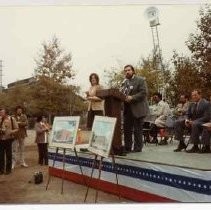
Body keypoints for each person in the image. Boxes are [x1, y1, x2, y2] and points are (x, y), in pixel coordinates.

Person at [122, 64, 149, 153]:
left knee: (137, 130)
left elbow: (144, 93)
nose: (127, 72)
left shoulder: (140, 80)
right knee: (127, 129)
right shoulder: (125, 82)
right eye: (125, 71)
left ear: (133, 71)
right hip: (127, 109)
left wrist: (132, 97)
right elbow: (123, 93)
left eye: (129, 70)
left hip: (138, 109)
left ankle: (137, 148)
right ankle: (127, 147)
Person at [0, 108, 18, 175]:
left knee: (8, 155)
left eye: (2, 112)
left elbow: (17, 128)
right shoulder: (0, 119)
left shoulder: (11, 119)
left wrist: (11, 132)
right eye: (0, 112)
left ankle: (8, 170)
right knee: (1, 155)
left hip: (8, 139)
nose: (1, 114)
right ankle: (1, 170)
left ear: (6, 113)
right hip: (1, 139)